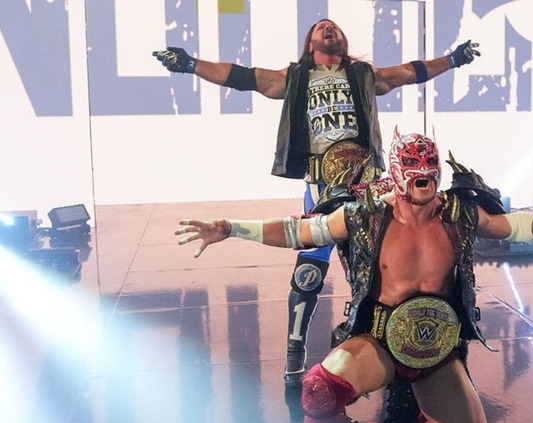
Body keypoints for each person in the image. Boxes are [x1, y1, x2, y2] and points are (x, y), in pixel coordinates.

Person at [174, 128, 533, 423]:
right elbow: (299, 231)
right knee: (318, 390)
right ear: (397, 175)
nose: (426, 186)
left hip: (438, 352)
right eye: (417, 178)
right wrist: (231, 227)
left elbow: (516, 226)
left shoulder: (459, 214)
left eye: (431, 178)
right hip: (378, 343)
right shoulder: (365, 215)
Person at [154, 19, 481, 388]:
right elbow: (241, 77)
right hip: (323, 187)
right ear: (310, 43)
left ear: (343, 40)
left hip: (369, 186)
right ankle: (295, 352)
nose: (330, 29)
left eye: (335, 27)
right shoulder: (293, 78)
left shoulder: (364, 75)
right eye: (322, 27)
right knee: (311, 264)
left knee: (380, 267)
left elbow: (411, 72)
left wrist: (453, 59)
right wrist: (190, 63)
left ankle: (397, 348)